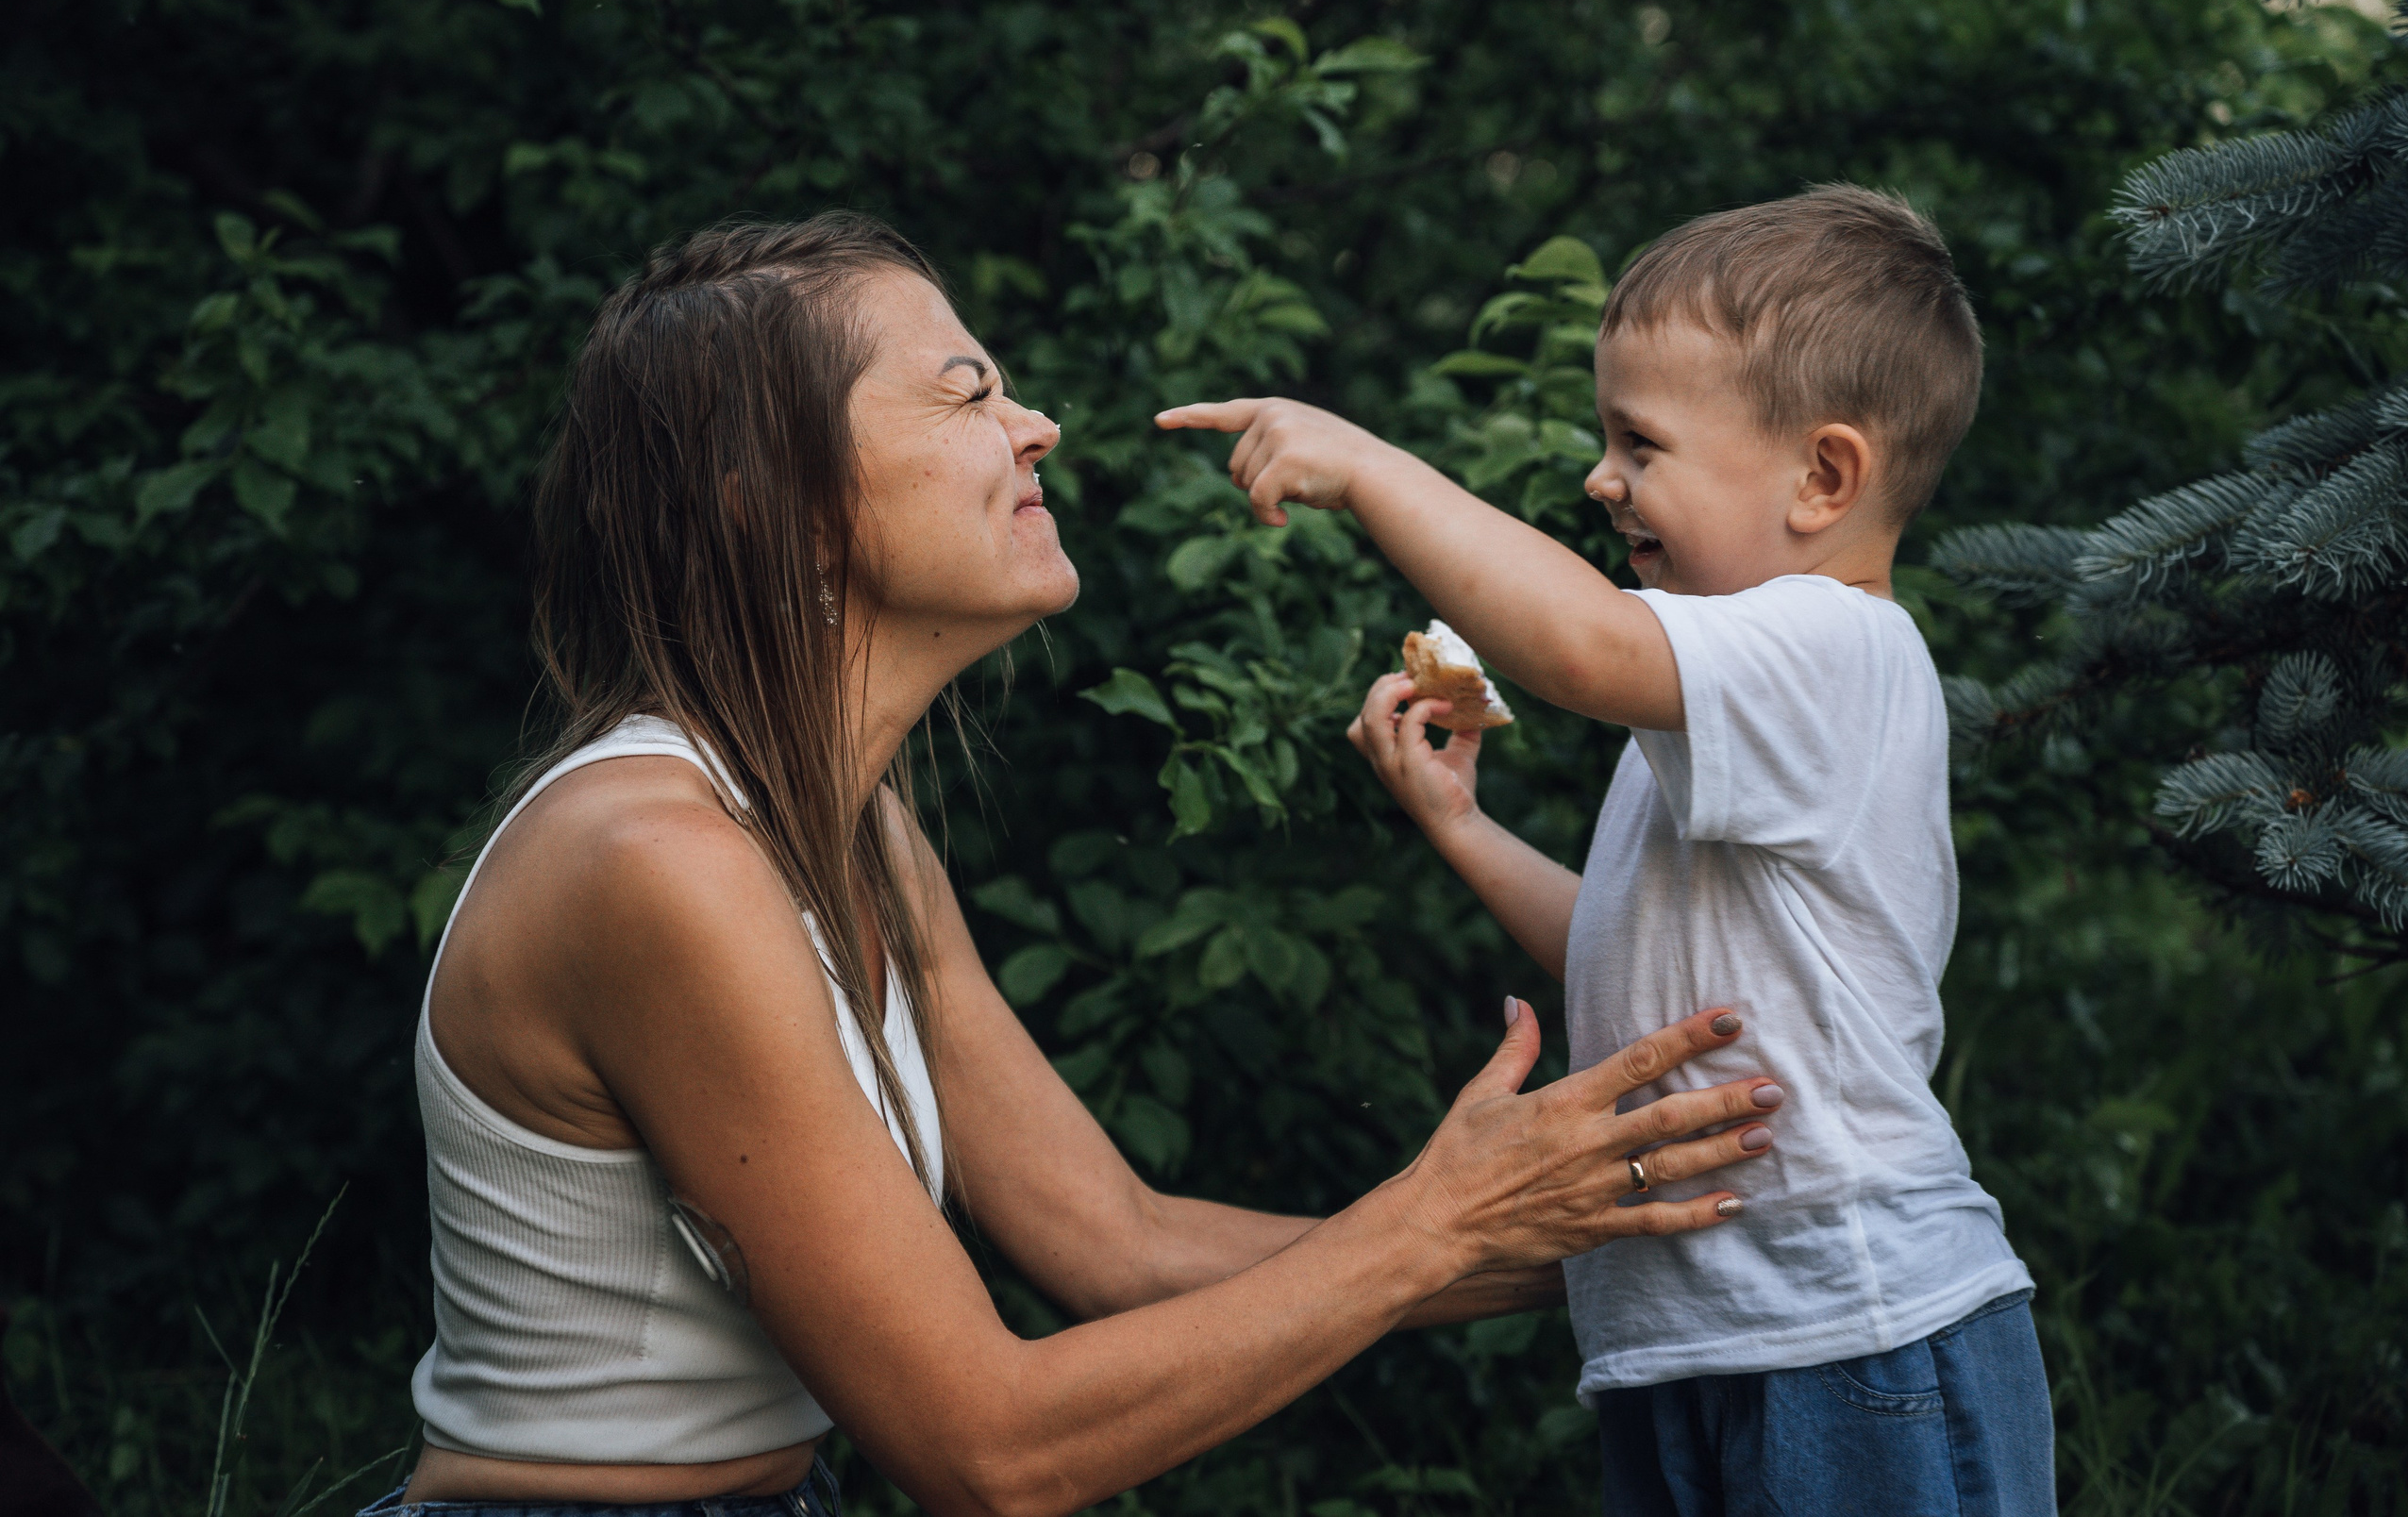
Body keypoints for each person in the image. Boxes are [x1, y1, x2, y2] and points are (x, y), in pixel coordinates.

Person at [361, 213, 1784, 1517]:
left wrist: (1622, 1234)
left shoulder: (855, 838)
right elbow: (987, 1448)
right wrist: (1434, 1218)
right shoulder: (658, 861)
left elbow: (1121, 1242)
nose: (1036, 427)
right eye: (969, 392)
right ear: (780, 506)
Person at [1158, 185, 2052, 1517]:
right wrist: (1464, 826)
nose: (1601, 478)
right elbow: (1644, 966)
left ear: (1824, 478)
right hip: (1700, 1340)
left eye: (1640, 442)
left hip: (1857, 1334)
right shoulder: (1729, 712)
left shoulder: (1840, 649)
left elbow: (1581, 644)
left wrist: (1369, 464)